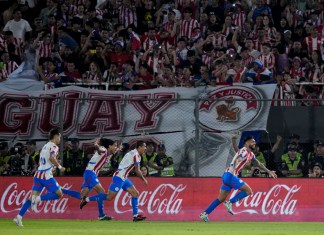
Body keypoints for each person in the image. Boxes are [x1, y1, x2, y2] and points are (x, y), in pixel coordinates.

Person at [199, 136, 277, 222]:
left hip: (226, 175)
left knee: (220, 199)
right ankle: (229, 203)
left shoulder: (250, 154)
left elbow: (258, 163)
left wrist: (269, 171)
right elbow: (238, 159)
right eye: (252, 141)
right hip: (231, 175)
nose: (254, 143)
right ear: (247, 143)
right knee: (248, 191)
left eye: (254, 142)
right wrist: (235, 167)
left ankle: (204, 214)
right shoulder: (244, 151)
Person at [80, 141, 148, 222]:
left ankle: (135, 216)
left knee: (135, 193)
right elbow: (137, 170)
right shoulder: (136, 155)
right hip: (119, 177)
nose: (145, 148)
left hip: (124, 177)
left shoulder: (134, 153)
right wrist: (144, 179)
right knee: (109, 197)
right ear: (139, 147)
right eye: (144, 146)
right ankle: (87, 199)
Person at [13, 128, 66, 227]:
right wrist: (59, 167)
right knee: (59, 194)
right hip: (45, 176)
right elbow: (51, 158)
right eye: (59, 137)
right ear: (56, 136)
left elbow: (44, 161)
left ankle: (18, 217)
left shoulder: (45, 146)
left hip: (38, 175)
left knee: (31, 198)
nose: (60, 139)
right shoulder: (54, 146)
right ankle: (38, 199)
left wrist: (52, 167)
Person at [62, 138, 117, 220]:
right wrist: (96, 145)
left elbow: (110, 153)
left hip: (90, 173)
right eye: (115, 146)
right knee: (101, 192)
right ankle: (101, 215)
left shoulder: (108, 153)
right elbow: (99, 149)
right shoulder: (103, 149)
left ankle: (61, 189)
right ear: (109, 146)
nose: (116, 147)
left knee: (82, 196)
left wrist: (116, 150)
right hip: (90, 173)